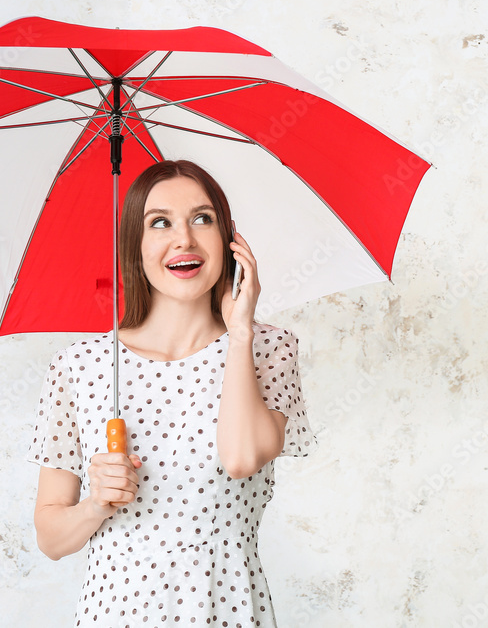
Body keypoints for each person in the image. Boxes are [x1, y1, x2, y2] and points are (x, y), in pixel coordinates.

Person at [27, 159, 316, 626]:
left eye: (202, 219)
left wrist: (239, 333)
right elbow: (51, 539)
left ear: (230, 239)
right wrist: (96, 503)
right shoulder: (79, 366)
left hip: (226, 612)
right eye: (159, 223)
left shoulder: (268, 349)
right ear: (133, 246)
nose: (184, 239)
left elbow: (241, 459)